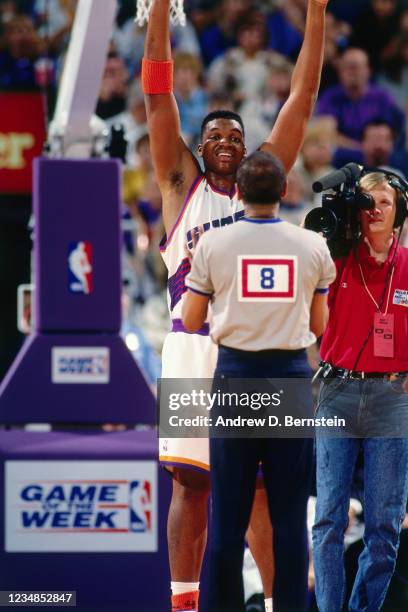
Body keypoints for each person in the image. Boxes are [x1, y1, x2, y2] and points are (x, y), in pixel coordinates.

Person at [142, 1, 329, 610]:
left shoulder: (262, 187)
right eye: (214, 136)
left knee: (258, 498)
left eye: (237, 137)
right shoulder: (179, 183)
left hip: (253, 350)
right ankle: (184, 601)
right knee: (191, 487)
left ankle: (279, 602)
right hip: (194, 346)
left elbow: (302, 95)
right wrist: (162, 14)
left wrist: (317, 13)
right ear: (198, 147)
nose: (225, 142)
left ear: (253, 153)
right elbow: (158, 95)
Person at [182, 150, 336, 612]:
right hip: (289, 378)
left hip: (236, 378)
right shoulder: (312, 246)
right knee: (289, 519)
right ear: (285, 191)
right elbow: (321, 325)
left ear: (240, 193)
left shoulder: (212, 244)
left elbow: (190, 321)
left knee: (227, 518)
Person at [312, 170, 408, 611]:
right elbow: (303, 252)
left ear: (400, 213)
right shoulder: (336, 255)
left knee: (385, 527)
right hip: (337, 389)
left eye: (384, 202)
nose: (374, 210)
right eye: (366, 202)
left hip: (393, 397)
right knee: (329, 517)